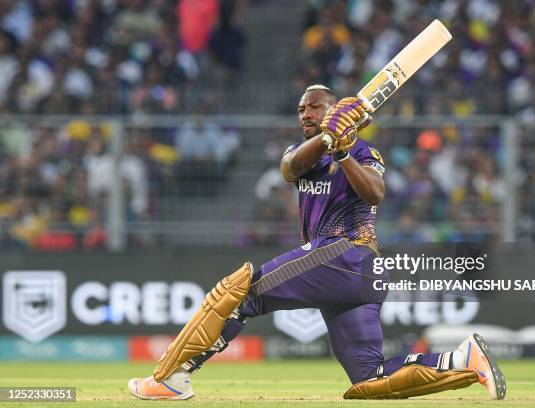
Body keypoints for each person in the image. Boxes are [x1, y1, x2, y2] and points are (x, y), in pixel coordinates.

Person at [127, 85, 506, 401]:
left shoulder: (362, 151)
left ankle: (171, 377)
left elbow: (375, 193)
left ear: (335, 110)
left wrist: (342, 152)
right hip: (351, 275)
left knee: (241, 293)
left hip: (346, 254)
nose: (305, 113)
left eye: (314, 107)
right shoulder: (301, 153)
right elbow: (289, 169)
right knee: (370, 379)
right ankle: (464, 359)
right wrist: (329, 138)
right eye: (301, 108)